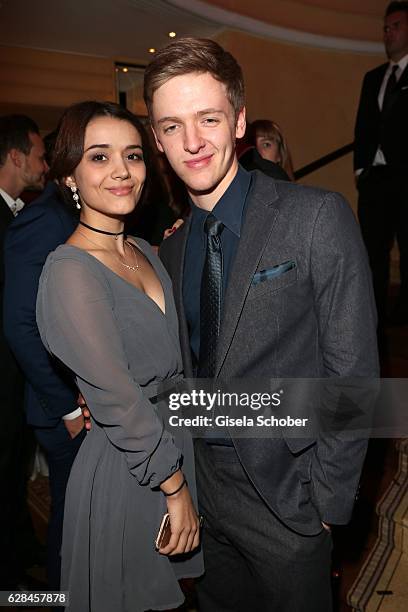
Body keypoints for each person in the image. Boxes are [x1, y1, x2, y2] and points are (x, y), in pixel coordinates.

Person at [143, 37, 379, 611]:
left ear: (240, 120)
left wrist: (326, 500)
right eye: (172, 126)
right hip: (204, 492)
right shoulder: (169, 253)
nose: (193, 142)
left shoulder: (316, 217)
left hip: (288, 496)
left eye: (208, 118)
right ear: (156, 140)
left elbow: (353, 374)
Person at [35, 101, 202, 611]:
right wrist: (174, 490)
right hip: (132, 468)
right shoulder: (69, 271)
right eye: (99, 158)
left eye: (132, 155)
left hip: (177, 446)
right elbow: (119, 399)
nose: (122, 172)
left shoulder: (148, 252)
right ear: (69, 175)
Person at [3, 145, 86, 589]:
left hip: (86, 402)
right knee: (73, 528)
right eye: (99, 156)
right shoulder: (45, 218)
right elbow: (20, 323)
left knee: (87, 525)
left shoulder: (78, 214)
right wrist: (66, 409)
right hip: (65, 408)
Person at [0, 114, 48, 588]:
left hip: (14, 375)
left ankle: (19, 548)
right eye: (38, 155)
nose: (45, 165)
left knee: (13, 465)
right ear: (16, 157)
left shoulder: (19, 212)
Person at [354, 1, 408, 328]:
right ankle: (373, 322)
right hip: (374, 180)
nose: (388, 33)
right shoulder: (373, 77)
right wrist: (361, 169)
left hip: (406, 179)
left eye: (396, 26)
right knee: (371, 254)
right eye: (386, 28)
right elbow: (362, 126)